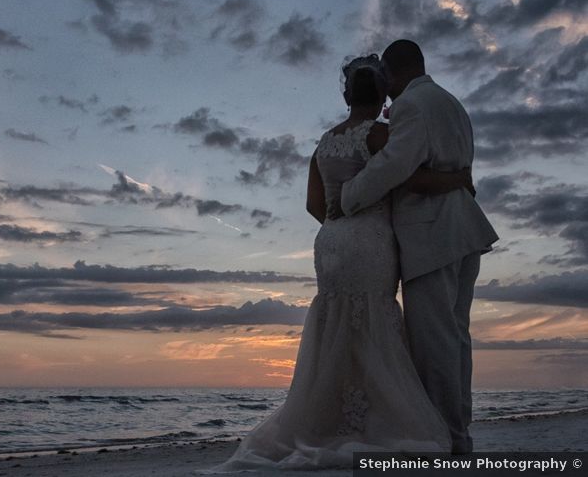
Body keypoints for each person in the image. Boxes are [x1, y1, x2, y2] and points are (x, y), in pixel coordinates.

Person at [200, 54, 472, 473]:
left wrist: (339, 228)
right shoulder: (380, 135)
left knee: (336, 322)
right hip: (371, 240)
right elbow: (410, 176)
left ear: (346, 93)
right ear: (381, 92)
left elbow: (314, 205)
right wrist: (456, 178)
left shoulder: (324, 143)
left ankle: (325, 420)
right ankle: (375, 420)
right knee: (375, 321)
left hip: (330, 241)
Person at [339, 40, 499, 454]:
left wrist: (349, 195)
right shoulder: (452, 103)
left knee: (436, 347)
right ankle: (459, 435)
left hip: (431, 235)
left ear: (392, 75)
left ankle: (447, 439)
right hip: (461, 230)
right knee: (456, 340)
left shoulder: (413, 105)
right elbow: (452, 166)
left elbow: (397, 164)